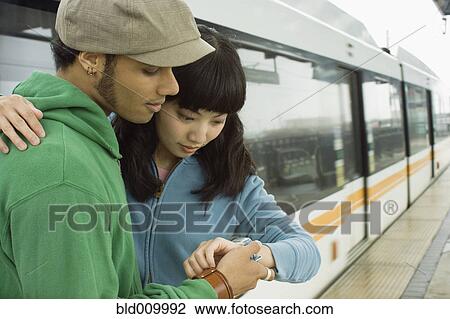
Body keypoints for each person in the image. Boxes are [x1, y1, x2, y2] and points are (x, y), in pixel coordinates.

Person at [0, 25, 321, 288]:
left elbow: (306, 252)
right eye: (186, 116)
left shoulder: (234, 177)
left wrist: (254, 255)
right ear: (158, 100)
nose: (200, 135)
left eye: (217, 121)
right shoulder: (98, 146)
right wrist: (7, 101)